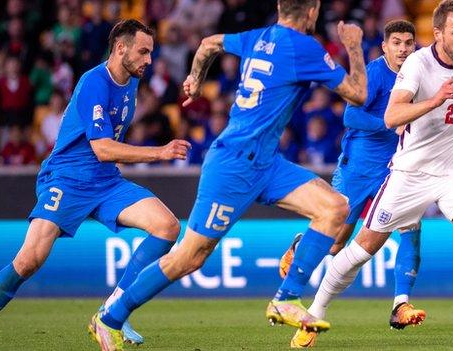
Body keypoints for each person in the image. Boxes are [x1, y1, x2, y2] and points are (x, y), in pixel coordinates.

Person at [93, 0, 368, 349]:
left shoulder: (257, 37)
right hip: (235, 165)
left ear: (281, 6)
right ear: (312, 11)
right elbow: (358, 94)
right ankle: (111, 317)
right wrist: (354, 46)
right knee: (189, 257)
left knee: (334, 208)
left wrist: (195, 77)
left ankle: (286, 297)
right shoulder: (304, 47)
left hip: (266, 162)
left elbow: (208, 43)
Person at [287, 0, 453, 345]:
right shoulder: (418, 65)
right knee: (359, 249)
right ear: (437, 32)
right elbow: (392, 117)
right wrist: (435, 100)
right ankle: (314, 316)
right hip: (409, 174)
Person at [0, 19, 191, 349]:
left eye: (150, 53)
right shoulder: (94, 82)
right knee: (29, 260)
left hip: (106, 182)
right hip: (67, 179)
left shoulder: (131, 81)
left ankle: (113, 313)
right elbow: (102, 148)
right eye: (143, 52)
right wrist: (160, 152)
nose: (148, 60)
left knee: (167, 227)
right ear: (120, 48)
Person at [278, 20, 426, 348]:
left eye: (408, 42)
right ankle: (301, 244)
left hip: (397, 170)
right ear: (385, 47)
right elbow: (351, 117)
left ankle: (400, 305)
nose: (403, 48)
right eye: (397, 43)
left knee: (411, 231)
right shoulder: (374, 73)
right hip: (358, 167)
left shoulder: (420, 73)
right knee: (335, 244)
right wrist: (391, 124)